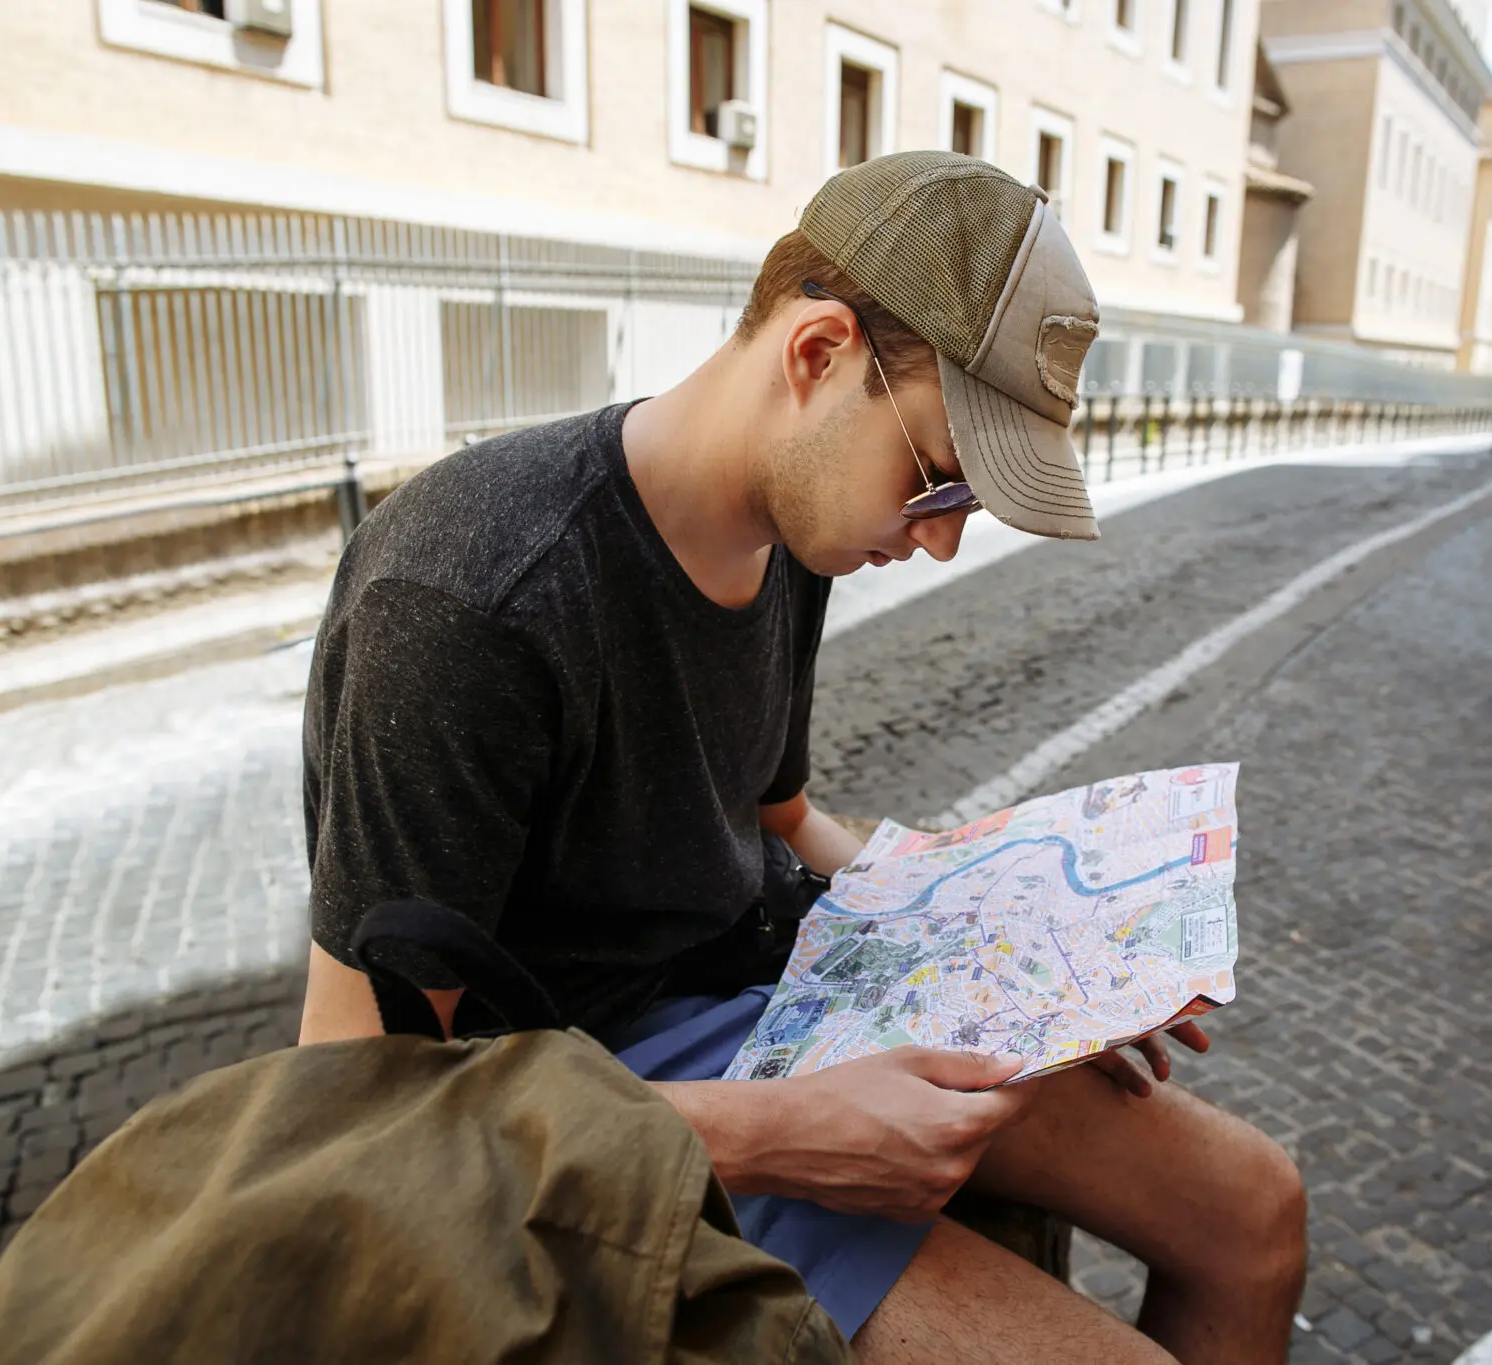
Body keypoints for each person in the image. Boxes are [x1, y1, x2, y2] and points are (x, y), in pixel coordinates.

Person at [296, 151, 1306, 1364]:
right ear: (817, 353)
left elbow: (783, 821)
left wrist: (1049, 956)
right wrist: (781, 1133)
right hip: (574, 1097)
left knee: (1254, 1212)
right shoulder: (474, 597)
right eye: (936, 482)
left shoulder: (794, 535)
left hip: (769, 997)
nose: (938, 543)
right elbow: (353, 1099)